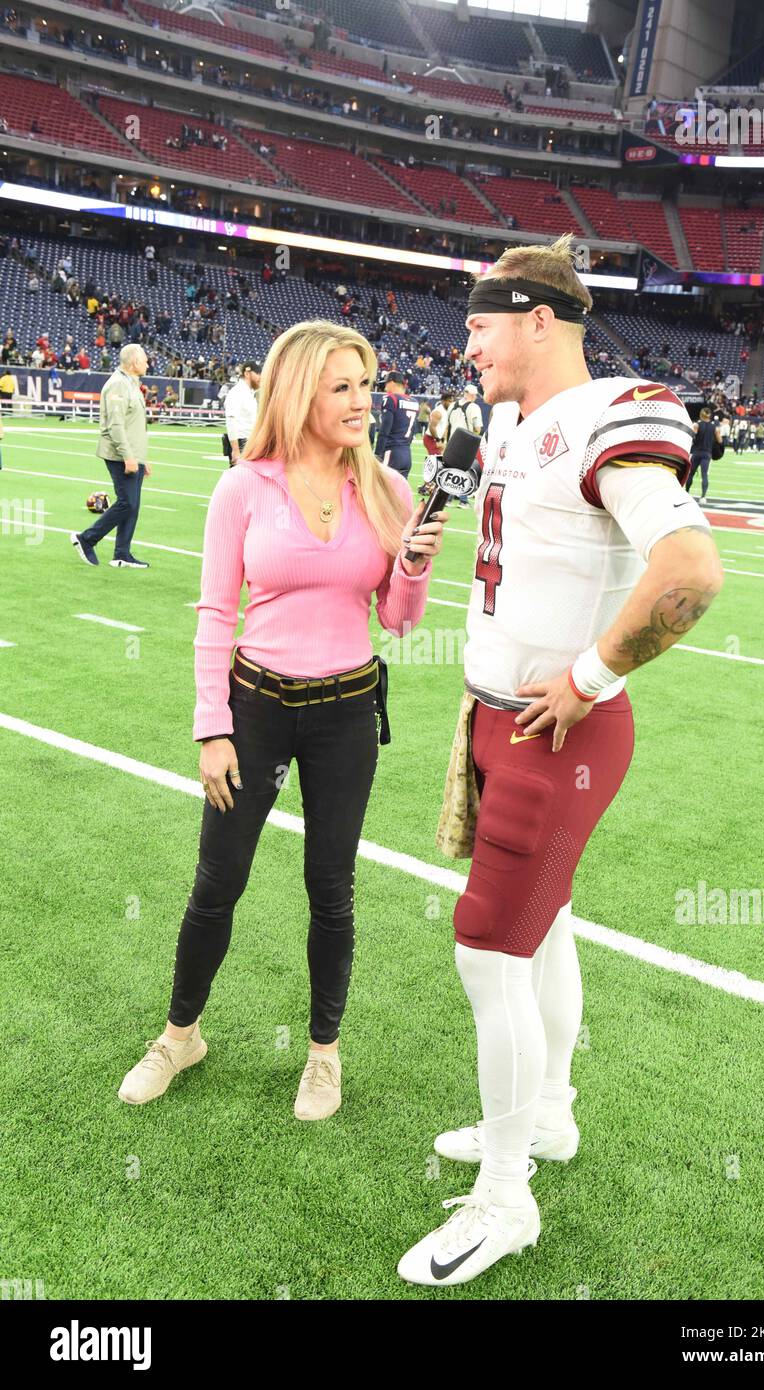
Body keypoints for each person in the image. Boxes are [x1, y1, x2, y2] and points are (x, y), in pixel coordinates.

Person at [397, 234, 723, 1287]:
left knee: (486, 947)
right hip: (502, 715)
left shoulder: (608, 411)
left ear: (541, 318)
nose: (468, 343)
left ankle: (506, 1198)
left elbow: (689, 569)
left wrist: (586, 674)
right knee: (543, 932)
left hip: (560, 730)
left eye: (483, 322)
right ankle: (548, 1120)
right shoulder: (514, 419)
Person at [116, 321, 449, 1121]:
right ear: (300, 393)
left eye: (366, 386)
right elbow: (212, 611)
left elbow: (400, 621)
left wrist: (413, 561)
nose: (363, 402)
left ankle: (323, 1056)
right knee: (217, 883)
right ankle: (179, 1035)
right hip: (254, 709)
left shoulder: (387, 489)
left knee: (331, 889)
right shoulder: (243, 487)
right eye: (343, 387)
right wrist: (211, 727)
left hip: (344, 713)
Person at [71, 344, 151, 569]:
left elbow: (133, 425)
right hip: (120, 455)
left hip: (133, 455)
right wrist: (128, 456)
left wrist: (142, 458)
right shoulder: (118, 384)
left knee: (132, 505)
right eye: (144, 360)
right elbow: (116, 426)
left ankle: (122, 554)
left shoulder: (131, 384)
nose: (147, 363)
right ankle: (86, 538)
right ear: (134, 362)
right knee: (127, 503)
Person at [374, 371, 418, 481]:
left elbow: (384, 430)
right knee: (399, 496)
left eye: (386, 384)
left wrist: (377, 454)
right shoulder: (414, 401)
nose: (384, 388)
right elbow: (412, 432)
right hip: (406, 454)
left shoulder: (390, 398)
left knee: (380, 493)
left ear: (392, 383)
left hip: (391, 453)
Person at [223, 361, 261, 465]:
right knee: (240, 479)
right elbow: (231, 420)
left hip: (249, 443)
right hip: (241, 444)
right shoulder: (237, 392)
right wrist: (235, 450)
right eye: (257, 373)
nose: (260, 377)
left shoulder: (249, 393)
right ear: (247, 373)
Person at [686, 407, 720, 503]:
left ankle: (687, 493)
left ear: (701, 414)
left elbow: (692, 436)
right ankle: (703, 497)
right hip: (707, 453)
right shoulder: (715, 427)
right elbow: (720, 440)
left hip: (696, 452)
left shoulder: (697, 425)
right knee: (704, 475)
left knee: (691, 474)